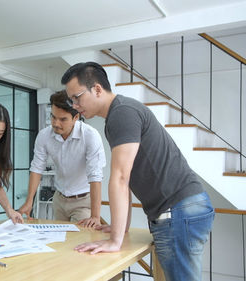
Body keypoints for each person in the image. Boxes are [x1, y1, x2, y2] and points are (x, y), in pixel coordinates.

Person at [61, 62, 214, 281]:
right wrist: (120, 229)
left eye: (77, 97)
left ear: (96, 89)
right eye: (71, 100)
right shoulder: (119, 114)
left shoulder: (122, 113)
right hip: (182, 208)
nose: (74, 105)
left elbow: (121, 178)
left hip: (179, 210)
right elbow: (129, 178)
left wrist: (115, 241)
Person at [18, 90, 106, 226]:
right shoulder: (44, 136)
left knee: (80, 242)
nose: (56, 123)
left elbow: (95, 176)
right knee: (60, 242)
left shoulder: (90, 136)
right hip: (59, 199)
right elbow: (36, 168)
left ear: (76, 117)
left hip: (83, 201)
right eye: (53, 117)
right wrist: (29, 202)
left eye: (63, 119)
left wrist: (95, 216)